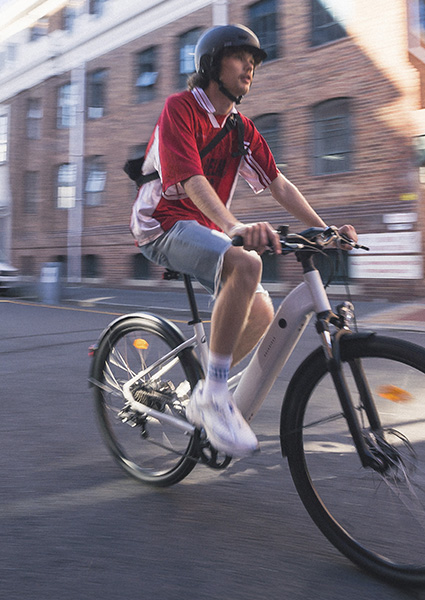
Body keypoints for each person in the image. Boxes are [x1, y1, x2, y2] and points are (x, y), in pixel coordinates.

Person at [130, 24, 357, 458]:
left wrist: (325, 230)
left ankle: (201, 389)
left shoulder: (241, 128)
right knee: (247, 264)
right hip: (160, 223)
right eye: (240, 58)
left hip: (202, 227)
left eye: (254, 62)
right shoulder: (180, 108)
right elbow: (192, 180)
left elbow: (279, 184)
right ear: (212, 65)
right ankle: (214, 397)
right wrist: (233, 227)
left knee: (262, 309)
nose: (250, 67)